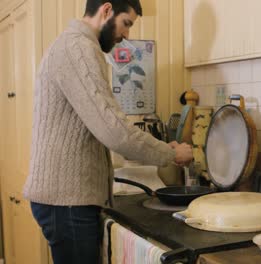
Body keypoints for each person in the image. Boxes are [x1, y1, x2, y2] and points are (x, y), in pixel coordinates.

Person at [22, 1, 193, 263]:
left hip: (64, 200)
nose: (126, 35)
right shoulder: (77, 48)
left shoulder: (75, 46)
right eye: (126, 23)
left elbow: (100, 126)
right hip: (67, 202)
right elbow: (115, 131)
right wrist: (170, 153)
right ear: (106, 10)